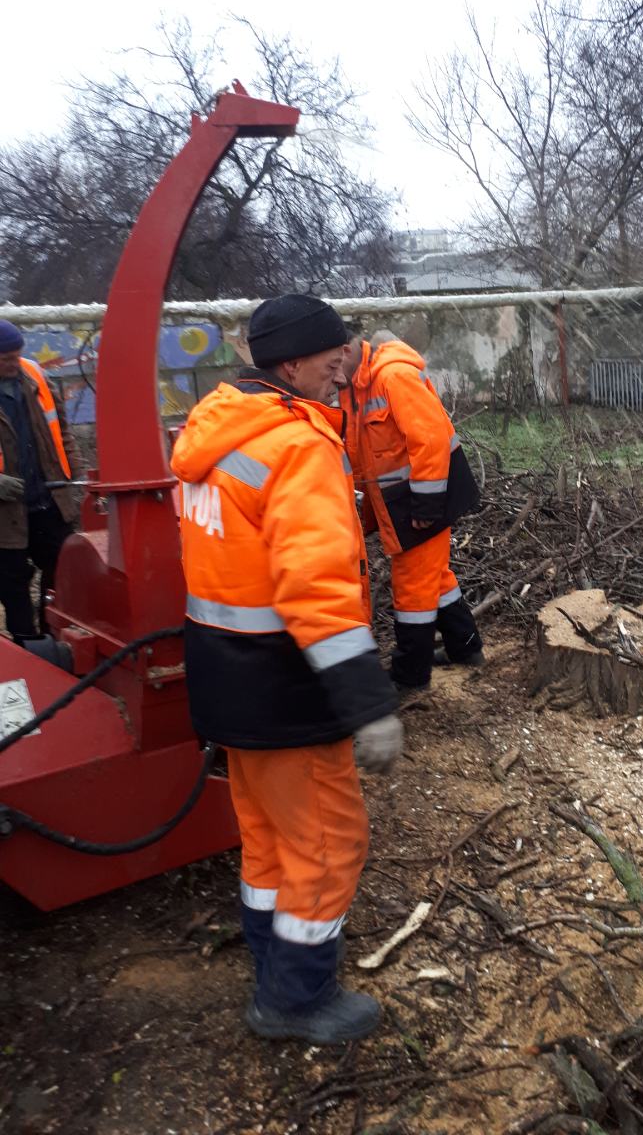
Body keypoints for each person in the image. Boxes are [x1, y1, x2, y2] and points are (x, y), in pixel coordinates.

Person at [170, 294, 403, 1046]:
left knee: (267, 839)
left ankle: (273, 961)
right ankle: (296, 999)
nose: (346, 368)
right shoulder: (296, 447)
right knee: (330, 844)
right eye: (334, 357)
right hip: (287, 689)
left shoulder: (216, 430)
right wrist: (369, 702)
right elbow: (318, 593)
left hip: (228, 682)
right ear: (293, 362)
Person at [339, 329, 483, 693]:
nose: (326, 372)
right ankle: (465, 649)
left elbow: (430, 439)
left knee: (413, 589)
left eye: (328, 362)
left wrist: (427, 504)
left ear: (345, 350)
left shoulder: (392, 376)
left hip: (423, 498)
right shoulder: (355, 384)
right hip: (406, 501)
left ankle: (410, 676)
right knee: (435, 577)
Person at [0, 320, 78, 644]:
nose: (14, 364)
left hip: (48, 499)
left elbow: (62, 432)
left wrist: (73, 478)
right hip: (5, 515)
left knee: (62, 573)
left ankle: (54, 642)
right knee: (12, 585)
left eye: (17, 356)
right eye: (6, 359)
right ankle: (28, 650)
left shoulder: (34, 376)